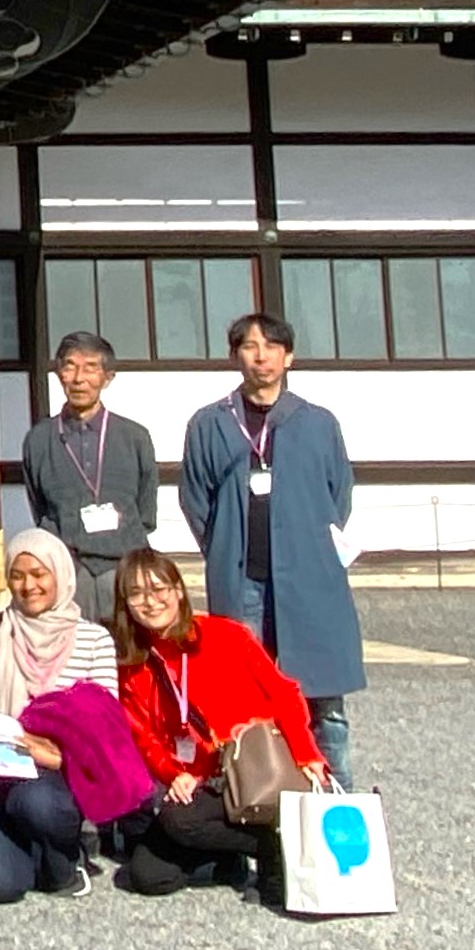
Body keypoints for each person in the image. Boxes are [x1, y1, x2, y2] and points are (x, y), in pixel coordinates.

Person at [179, 311, 364, 789]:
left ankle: (337, 797)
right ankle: (257, 797)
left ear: (289, 357)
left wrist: (307, 542)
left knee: (323, 700)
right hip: (241, 578)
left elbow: (338, 495)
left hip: (309, 578)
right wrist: (224, 546)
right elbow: (196, 500)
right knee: (244, 696)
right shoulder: (210, 423)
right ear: (234, 355)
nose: (260, 356)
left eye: (271, 347)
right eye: (249, 346)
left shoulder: (318, 423)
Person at [109, 548, 329, 904]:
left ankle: (274, 847)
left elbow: (285, 693)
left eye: (159, 589)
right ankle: (230, 854)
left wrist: (307, 753)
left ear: (179, 591)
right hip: (198, 778)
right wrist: (172, 774)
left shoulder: (226, 635)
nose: (150, 602)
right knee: (148, 876)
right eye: (136, 593)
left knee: (179, 821)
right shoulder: (134, 665)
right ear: (126, 604)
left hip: (250, 768)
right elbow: (143, 736)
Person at [0, 529, 119, 903]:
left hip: (59, 765)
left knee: (38, 805)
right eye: (17, 575)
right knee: (0, 886)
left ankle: (63, 858)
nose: (28, 586)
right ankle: (17, 845)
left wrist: (55, 755)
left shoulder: (94, 639)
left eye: (39, 574)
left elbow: (104, 722)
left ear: (60, 574)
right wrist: (5, 730)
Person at [19, 332, 159, 623]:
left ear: (107, 377)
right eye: (70, 367)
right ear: (59, 374)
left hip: (123, 565)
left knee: (128, 645)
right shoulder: (39, 439)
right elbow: (40, 507)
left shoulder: (134, 437)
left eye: (91, 368)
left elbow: (145, 511)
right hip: (68, 568)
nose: (79, 378)